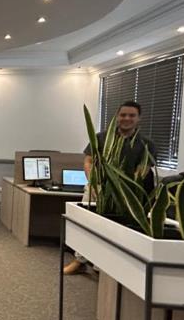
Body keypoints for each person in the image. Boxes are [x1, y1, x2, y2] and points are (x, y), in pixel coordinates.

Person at [63, 100, 157, 274]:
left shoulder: (146, 143)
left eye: (131, 115)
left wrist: (124, 189)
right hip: (98, 188)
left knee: (112, 229)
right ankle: (79, 260)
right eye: (123, 115)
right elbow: (89, 161)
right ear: (117, 116)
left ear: (139, 118)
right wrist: (93, 183)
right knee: (85, 224)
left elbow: (143, 169)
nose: (127, 118)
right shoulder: (101, 137)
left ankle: (103, 265)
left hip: (127, 194)